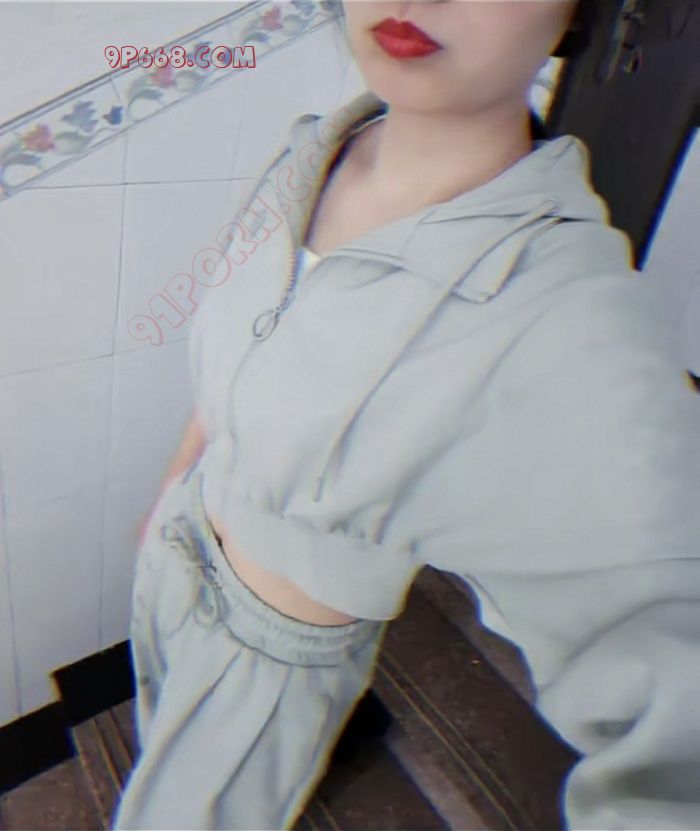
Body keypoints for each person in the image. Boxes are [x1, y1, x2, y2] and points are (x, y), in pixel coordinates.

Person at [112, 1, 700, 829]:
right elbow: (235, 351)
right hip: (173, 553)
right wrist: (174, 487)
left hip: (260, 665)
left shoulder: (568, 316)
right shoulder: (312, 149)